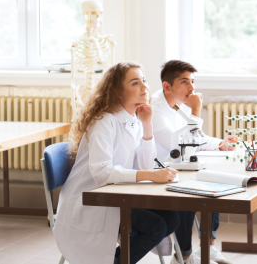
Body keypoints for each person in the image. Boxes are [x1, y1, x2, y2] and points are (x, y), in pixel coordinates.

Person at [54, 62, 180, 264]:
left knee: (172, 219)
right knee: (156, 226)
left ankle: (117, 260)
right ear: (118, 92)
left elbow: (145, 166)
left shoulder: (135, 119)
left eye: (144, 81)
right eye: (135, 83)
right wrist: (150, 176)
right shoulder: (104, 121)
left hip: (117, 196)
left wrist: (147, 125)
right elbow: (101, 173)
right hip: (91, 201)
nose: (144, 87)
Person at [152, 60, 236, 264]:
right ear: (167, 86)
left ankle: (208, 247)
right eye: (184, 82)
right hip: (155, 171)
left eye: (192, 81)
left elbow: (196, 138)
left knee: (213, 184)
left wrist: (220, 144)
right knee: (188, 191)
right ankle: (184, 257)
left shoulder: (180, 103)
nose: (191, 88)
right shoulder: (154, 107)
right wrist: (196, 112)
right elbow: (177, 143)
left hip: (178, 166)